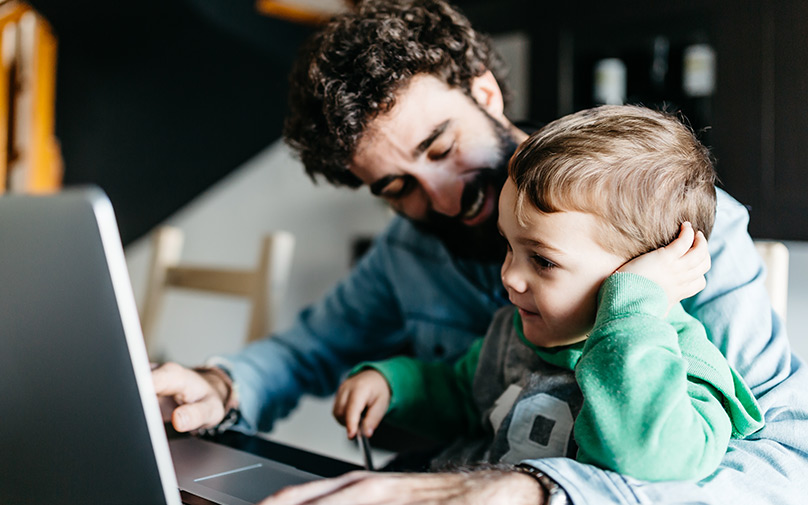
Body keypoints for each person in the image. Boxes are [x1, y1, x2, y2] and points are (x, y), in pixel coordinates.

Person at [151, 1, 808, 504]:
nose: (440, 199)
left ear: (486, 93)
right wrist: (221, 383)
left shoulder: (673, 233)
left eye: (440, 147)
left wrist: (529, 488)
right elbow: (309, 347)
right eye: (398, 187)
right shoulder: (409, 249)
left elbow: (790, 461)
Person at [332, 105, 765, 482]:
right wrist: (394, 385)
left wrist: (631, 310)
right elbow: (462, 395)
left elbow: (646, 456)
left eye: (543, 261)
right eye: (508, 247)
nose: (510, 278)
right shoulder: (512, 334)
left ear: (644, 270)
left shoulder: (685, 365)